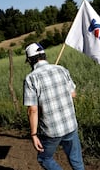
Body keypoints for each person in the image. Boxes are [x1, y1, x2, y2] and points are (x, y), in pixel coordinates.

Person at [23, 42, 85, 170]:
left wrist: (34, 135)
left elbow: (32, 110)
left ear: (29, 60)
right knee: (76, 159)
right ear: (44, 55)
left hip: (51, 130)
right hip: (70, 125)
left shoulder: (31, 78)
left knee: (44, 158)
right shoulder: (61, 69)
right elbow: (73, 94)